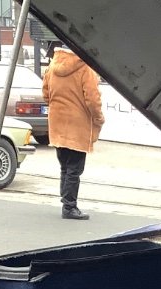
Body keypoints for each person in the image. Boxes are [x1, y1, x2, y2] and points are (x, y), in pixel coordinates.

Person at [42, 45, 104, 221]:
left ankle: (66, 202)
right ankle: (69, 207)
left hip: (57, 122)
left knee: (65, 166)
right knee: (74, 168)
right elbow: (92, 99)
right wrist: (98, 118)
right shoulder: (85, 67)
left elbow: (45, 94)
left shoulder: (53, 65)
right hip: (78, 124)